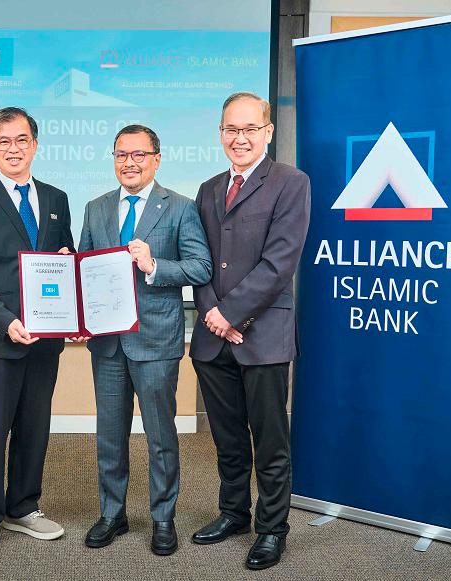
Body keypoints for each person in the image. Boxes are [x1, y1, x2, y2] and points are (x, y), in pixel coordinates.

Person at [78, 125, 212, 556]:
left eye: (139, 154)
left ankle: (162, 518)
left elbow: (200, 267)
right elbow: (84, 268)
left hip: (155, 340)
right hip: (107, 343)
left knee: (160, 436)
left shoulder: (180, 207)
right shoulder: (95, 208)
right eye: (121, 154)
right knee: (110, 435)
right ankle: (112, 514)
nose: (129, 162)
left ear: (156, 158)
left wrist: (154, 266)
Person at [189, 92, 310, 570]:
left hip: (263, 336)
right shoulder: (208, 188)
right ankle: (233, 513)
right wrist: (211, 313)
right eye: (230, 130)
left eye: (249, 129)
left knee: (270, 440)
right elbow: (200, 262)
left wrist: (231, 315)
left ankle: (272, 528)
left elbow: (280, 262)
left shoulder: (290, 183)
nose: (239, 138)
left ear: (267, 132)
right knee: (228, 438)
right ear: (221, 133)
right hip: (212, 336)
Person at [0, 107, 75, 556]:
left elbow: (65, 259)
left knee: (34, 424)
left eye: (22, 140)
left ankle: (24, 507)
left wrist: (68, 262)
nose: (14, 149)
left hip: (46, 339)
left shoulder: (57, 198)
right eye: (3, 141)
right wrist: (6, 321)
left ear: (35, 145)